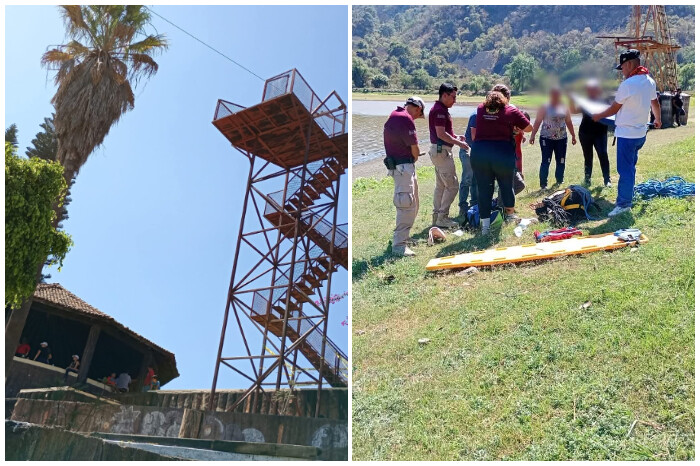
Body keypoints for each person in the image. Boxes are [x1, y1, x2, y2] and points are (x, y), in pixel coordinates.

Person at [593, 49, 660, 217]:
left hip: (627, 135)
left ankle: (624, 204)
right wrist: (657, 119)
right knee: (630, 167)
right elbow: (655, 102)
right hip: (640, 134)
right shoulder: (649, 81)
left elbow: (615, 108)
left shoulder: (628, 85)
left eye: (622, 67)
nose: (621, 71)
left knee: (625, 170)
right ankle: (629, 194)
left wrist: (598, 115)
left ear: (629, 64)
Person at [470, 91, 533, 234]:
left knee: (484, 189)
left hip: (480, 153)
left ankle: (485, 226)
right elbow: (529, 128)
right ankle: (510, 215)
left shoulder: (480, 109)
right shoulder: (511, 110)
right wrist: (515, 129)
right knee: (506, 185)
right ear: (505, 100)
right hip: (502, 154)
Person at [383, 96, 425, 257]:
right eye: (418, 115)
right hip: (403, 167)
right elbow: (414, 148)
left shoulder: (396, 114)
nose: (416, 118)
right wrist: (414, 157)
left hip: (401, 166)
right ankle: (399, 245)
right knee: (406, 204)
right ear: (417, 109)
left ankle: (404, 238)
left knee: (412, 203)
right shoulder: (405, 118)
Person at [428, 83, 470, 228]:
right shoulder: (440, 110)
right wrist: (459, 144)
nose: (455, 100)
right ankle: (442, 217)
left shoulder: (440, 109)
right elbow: (441, 134)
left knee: (441, 186)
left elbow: (442, 132)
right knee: (452, 186)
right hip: (442, 152)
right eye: (453, 97)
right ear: (444, 95)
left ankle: (437, 216)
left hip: (438, 150)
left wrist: (455, 137)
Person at [530, 87, 577, 189]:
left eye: (558, 95)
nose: (556, 97)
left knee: (561, 160)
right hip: (546, 138)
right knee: (546, 161)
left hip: (562, 138)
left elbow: (568, 121)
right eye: (554, 95)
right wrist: (533, 135)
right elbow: (537, 121)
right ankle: (543, 184)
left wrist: (573, 135)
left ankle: (559, 180)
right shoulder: (544, 107)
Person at [569, 79, 612, 187]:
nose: (590, 91)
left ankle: (607, 180)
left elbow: (612, 113)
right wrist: (570, 99)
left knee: (603, 155)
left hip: (600, 133)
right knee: (588, 157)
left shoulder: (604, 100)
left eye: (593, 89)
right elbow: (574, 111)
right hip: (585, 133)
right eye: (588, 89)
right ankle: (587, 179)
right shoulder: (585, 101)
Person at [457, 111, 478, 217]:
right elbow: (474, 137)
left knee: (476, 179)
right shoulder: (476, 115)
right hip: (467, 150)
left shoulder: (486, 116)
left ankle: (475, 204)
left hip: (477, 150)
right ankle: (463, 206)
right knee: (467, 179)